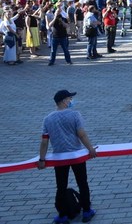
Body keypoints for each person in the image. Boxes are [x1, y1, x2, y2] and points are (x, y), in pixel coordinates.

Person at [37, 90, 98, 224]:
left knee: (61, 186)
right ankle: (87, 211)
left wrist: (42, 160)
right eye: (70, 98)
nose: (71, 100)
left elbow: (44, 141)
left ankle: (63, 215)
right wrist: (91, 149)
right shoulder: (75, 115)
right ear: (64, 101)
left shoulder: (48, 119)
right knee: (82, 183)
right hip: (76, 156)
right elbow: (81, 134)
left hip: (59, 158)